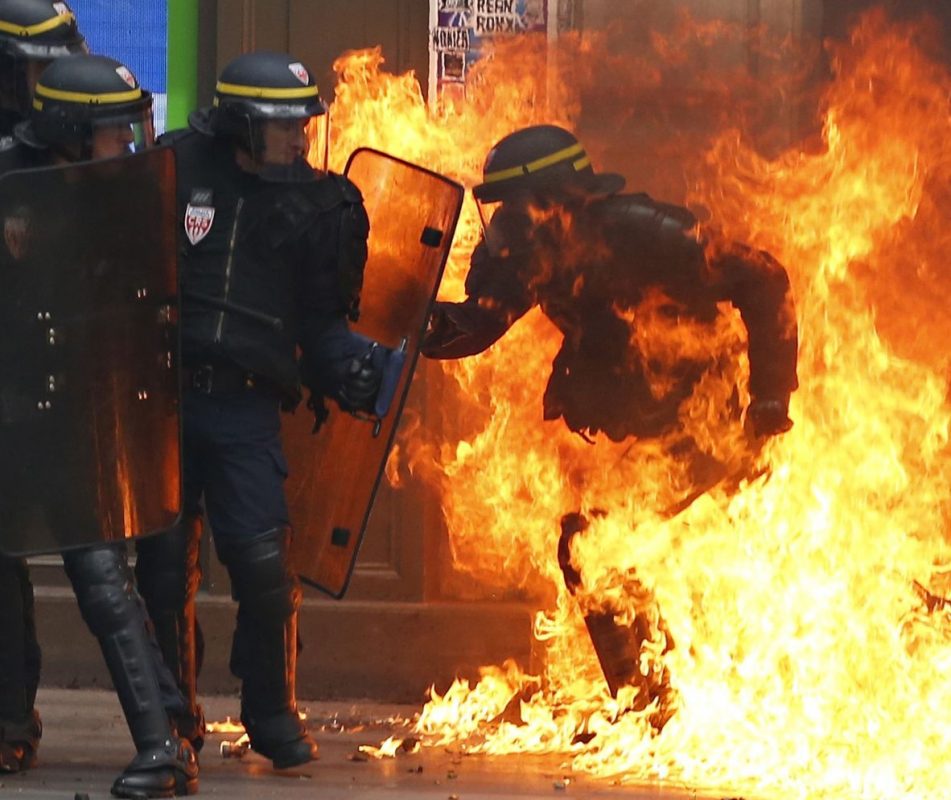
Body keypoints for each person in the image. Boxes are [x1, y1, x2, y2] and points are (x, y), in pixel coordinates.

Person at [422, 124, 798, 727]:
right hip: (656, 426)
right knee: (595, 546)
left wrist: (771, 395)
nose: (505, 222)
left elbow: (765, 276)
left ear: (552, 197)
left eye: (514, 205)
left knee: (590, 543)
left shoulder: (640, 231)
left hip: (712, 417)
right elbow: (476, 325)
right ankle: (653, 700)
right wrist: (404, 316)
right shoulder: (534, 255)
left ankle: (653, 706)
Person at [134, 50, 382, 770]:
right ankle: (173, 720)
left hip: (245, 407)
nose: (300, 139)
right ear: (243, 123)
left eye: (305, 124)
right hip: (163, 401)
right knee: (161, 570)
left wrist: (351, 369)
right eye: (285, 126)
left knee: (265, 565)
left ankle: (272, 712)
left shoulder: (324, 206)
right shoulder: (171, 168)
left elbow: (323, 323)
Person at [0, 53, 198, 796]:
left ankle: (163, 745)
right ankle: (9, 725)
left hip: (80, 414)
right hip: (12, 408)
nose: (129, 145)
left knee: (104, 581)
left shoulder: (125, 194)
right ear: (71, 133)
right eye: (116, 133)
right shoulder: (9, 179)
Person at [0, 0, 86, 773]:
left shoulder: (76, 145)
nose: (44, 81)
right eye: (33, 68)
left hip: (56, 383)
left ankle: (10, 720)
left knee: (98, 567)